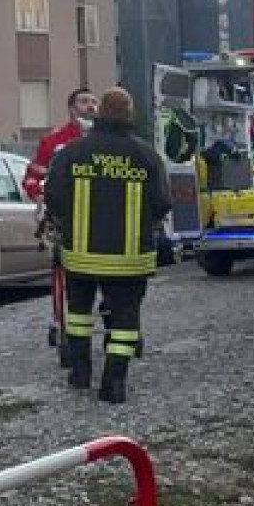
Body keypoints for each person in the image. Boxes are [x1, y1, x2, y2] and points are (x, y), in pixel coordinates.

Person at [43, 88, 172, 404]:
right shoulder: (146, 155)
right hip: (129, 260)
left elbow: (53, 196)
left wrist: (67, 222)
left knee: (78, 314)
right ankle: (114, 383)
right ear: (129, 114)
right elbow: (162, 203)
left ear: (99, 113)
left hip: (80, 257)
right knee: (126, 320)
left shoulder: (73, 152)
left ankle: (80, 373)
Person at [24, 87, 99, 202]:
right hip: (64, 209)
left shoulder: (108, 139)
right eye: (84, 101)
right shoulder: (54, 140)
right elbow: (33, 176)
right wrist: (42, 196)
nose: (91, 106)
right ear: (71, 109)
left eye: (94, 102)